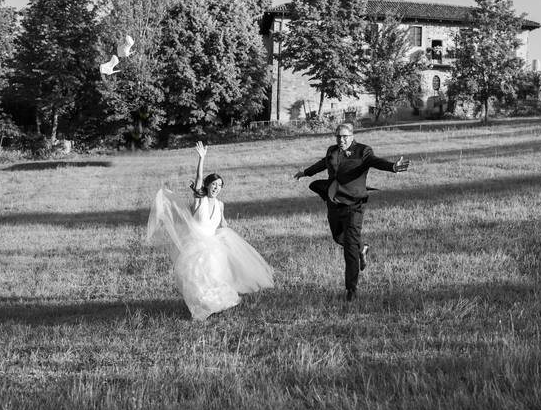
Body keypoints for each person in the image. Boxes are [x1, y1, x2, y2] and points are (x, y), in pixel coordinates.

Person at [146, 142, 273, 321]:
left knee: (216, 275)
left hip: (214, 245)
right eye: (214, 184)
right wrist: (201, 158)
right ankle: (201, 307)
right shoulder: (200, 200)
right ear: (207, 186)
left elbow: (222, 224)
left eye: (220, 185)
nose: (217, 187)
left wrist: (229, 236)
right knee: (199, 277)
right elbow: (198, 180)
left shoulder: (220, 204)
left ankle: (218, 303)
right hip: (196, 245)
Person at [294, 123, 409, 301]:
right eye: (338, 136)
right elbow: (322, 164)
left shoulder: (363, 151)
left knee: (349, 246)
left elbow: (376, 161)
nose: (341, 140)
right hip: (335, 202)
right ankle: (362, 248)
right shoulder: (332, 150)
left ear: (352, 136)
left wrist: (393, 167)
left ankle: (351, 289)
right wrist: (305, 172)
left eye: (345, 136)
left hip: (355, 204)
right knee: (338, 237)